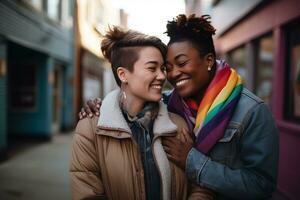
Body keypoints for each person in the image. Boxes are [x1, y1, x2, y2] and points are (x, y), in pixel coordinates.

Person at [80, 14, 279, 199]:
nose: (172, 74)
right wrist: (101, 105)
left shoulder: (251, 111)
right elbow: (131, 98)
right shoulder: (168, 104)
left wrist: (192, 161)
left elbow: (261, 186)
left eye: (182, 63)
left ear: (209, 60)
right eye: (168, 67)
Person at [70, 26, 214, 200]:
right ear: (123, 74)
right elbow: (87, 194)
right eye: (152, 68)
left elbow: (200, 187)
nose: (162, 76)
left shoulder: (178, 124)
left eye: (162, 68)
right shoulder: (90, 128)